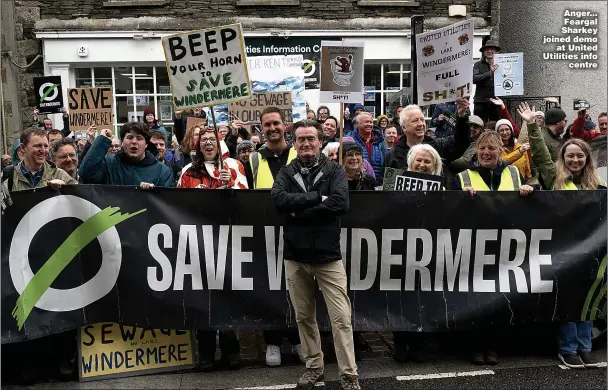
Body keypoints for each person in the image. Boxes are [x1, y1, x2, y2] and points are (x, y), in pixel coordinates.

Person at [271, 119, 360, 390]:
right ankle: (314, 367)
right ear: (294, 143)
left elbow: (339, 203)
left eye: (311, 138)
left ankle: (349, 374)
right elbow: (278, 200)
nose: (306, 143)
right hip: (295, 257)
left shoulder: (335, 170)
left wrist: (299, 210)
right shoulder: (286, 173)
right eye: (301, 139)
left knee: (341, 319)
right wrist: (315, 198)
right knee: (303, 317)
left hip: (328, 257)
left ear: (320, 141)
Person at [520, 103, 605, 368]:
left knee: (589, 298)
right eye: (570, 156)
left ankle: (585, 346)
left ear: (587, 158)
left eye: (580, 156)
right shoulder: (554, 177)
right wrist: (533, 126)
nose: (575, 160)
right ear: (564, 159)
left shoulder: (598, 185)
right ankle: (568, 348)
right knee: (569, 298)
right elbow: (541, 154)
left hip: (592, 250)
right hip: (563, 250)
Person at [176, 127, 246, 370]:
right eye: (203, 140)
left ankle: (231, 350)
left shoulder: (235, 167)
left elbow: (247, 201)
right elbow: (175, 205)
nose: (208, 143)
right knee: (202, 296)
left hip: (228, 240)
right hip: (198, 242)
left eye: (212, 139)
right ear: (197, 145)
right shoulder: (187, 172)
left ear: (220, 143)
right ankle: (205, 352)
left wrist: (232, 187)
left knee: (227, 294)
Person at [241, 106, 304, 366]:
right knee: (270, 288)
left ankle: (298, 339)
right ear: (261, 128)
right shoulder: (253, 160)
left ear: (285, 125)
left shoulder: (300, 153)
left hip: (297, 231)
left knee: (297, 289)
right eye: (267, 125)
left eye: (276, 123)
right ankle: (273, 341)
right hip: (265, 232)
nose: (272, 128)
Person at [383, 98, 472, 188]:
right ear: (404, 127)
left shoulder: (437, 147)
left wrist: (461, 117)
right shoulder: (393, 155)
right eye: (415, 120)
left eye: (422, 119)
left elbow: (461, 143)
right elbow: (388, 187)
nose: (421, 124)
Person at [79, 122, 174, 187]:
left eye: (139, 138)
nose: (134, 142)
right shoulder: (109, 164)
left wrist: (153, 193)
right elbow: (86, 174)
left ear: (146, 145)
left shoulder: (162, 172)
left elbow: (166, 205)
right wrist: (102, 141)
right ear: (122, 142)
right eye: (129, 137)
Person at [3, 127, 76, 192]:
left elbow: (80, 199)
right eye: (38, 146)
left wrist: (65, 189)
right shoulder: (10, 176)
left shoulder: (59, 174)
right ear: (22, 148)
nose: (43, 150)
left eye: (46, 146)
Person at [346, 111, 387, 184]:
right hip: (357, 186)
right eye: (366, 122)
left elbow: (386, 162)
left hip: (378, 185)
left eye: (371, 122)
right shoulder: (350, 139)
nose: (369, 124)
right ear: (358, 124)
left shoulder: (380, 140)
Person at [473, 40, 501, 122]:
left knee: (495, 125)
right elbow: (474, 79)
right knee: (479, 125)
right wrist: (490, 73)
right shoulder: (478, 64)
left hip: (496, 101)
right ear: (484, 52)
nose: (489, 51)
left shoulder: (501, 64)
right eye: (487, 49)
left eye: (492, 49)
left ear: (496, 51)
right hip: (481, 101)